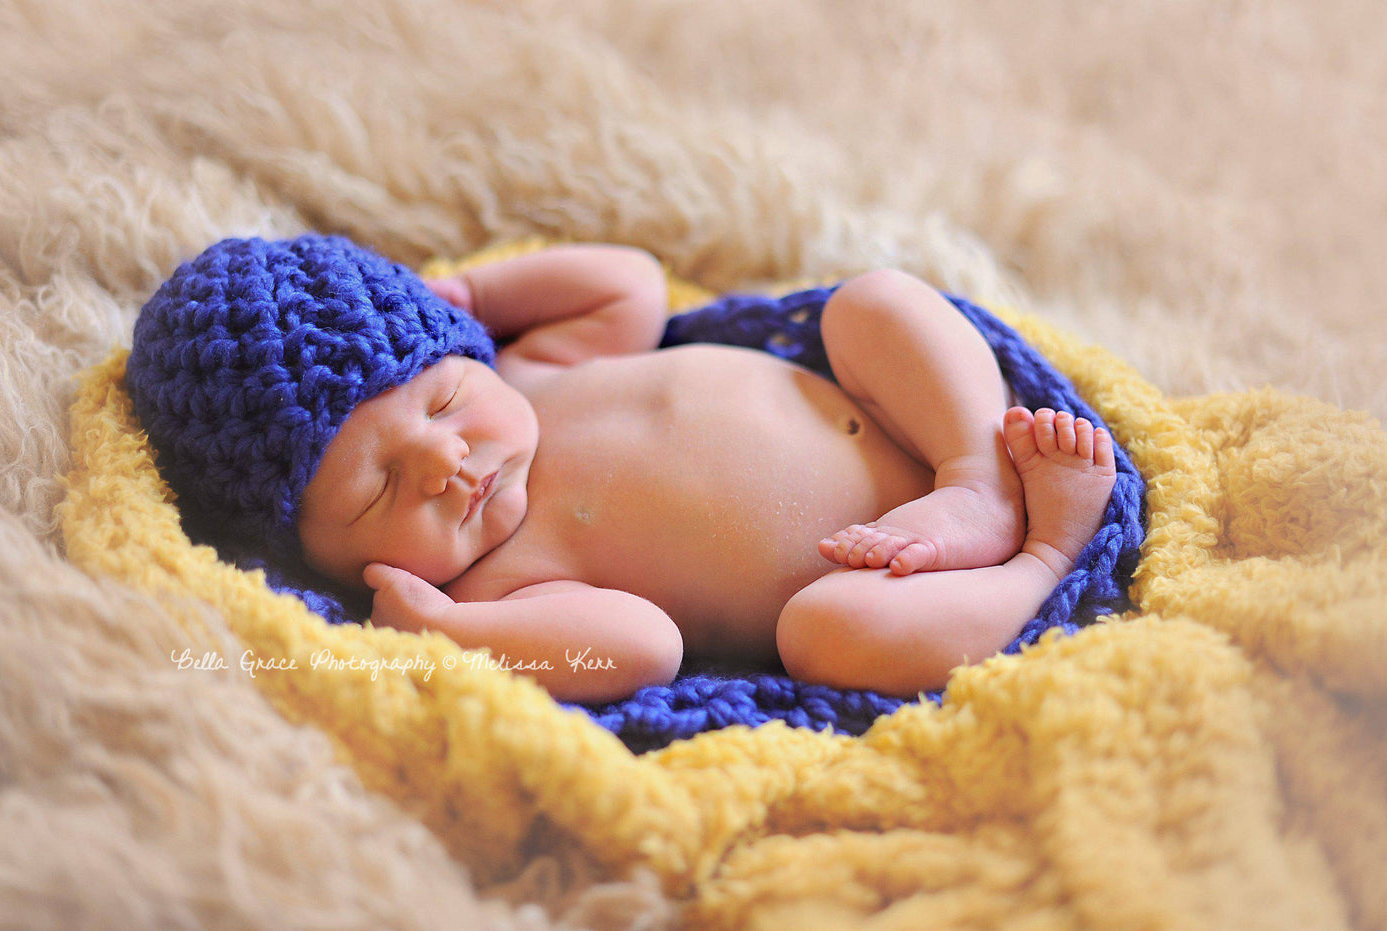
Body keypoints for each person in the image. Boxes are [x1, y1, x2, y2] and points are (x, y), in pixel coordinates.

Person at [127, 235, 1116, 703]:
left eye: (439, 402)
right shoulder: (496, 583)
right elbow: (637, 649)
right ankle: (1033, 555)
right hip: (873, 587)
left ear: (462, 349)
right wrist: (461, 633)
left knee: (872, 303)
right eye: (379, 486)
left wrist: (474, 289)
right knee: (827, 635)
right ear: (310, 555)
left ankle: (975, 477)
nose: (444, 460)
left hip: (912, 433)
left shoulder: (537, 365)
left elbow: (629, 281)